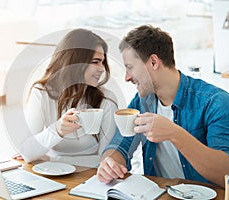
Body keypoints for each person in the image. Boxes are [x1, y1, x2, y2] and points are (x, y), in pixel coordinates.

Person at [96, 24, 229, 188]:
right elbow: (120, 144)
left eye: (130, 67)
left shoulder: (215, 102)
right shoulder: (143, 101)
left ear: (153, 62)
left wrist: (174, 133)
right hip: (157, 194)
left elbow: (226, 173)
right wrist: (109, 163)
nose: (126, 77)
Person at [21, 29, 118, 168]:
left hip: (91, 179)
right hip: (52, 175)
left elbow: (105, 162)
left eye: (102, 62)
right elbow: (27, 152)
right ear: (75, 61)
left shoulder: (106, 99)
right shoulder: (41, 93)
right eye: (96, 62)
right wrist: (57, 130)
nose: (102, 68)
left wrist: (53, 159)